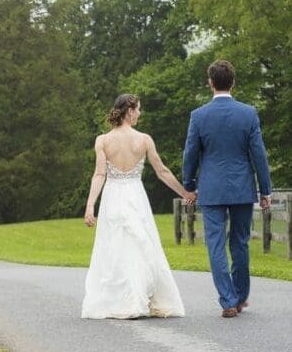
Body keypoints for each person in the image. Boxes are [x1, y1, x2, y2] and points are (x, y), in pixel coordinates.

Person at [81, 94, 195, 319]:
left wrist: (90, 205)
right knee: (140, 244)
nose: (140, 113)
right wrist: (185, 193)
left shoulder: (103, 141)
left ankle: (122, 300)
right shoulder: (144, 140)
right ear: (129, 111)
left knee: (116, 246)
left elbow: (99, 174)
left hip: (113, 196)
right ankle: (139, 298)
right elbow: (162, 171)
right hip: (134, 195)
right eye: (138, 109)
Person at [183, 60, 272, 319]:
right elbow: (259, 155)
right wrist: (265, 190)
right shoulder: (248, 113)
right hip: (242, 188)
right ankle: (241, 296)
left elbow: (190, 154)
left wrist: (189, 185)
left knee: (216, 244)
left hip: (211, 190)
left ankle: (228, 300)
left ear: (211, 83)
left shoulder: (198, 116)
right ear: (233, 82)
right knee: (240, 243)